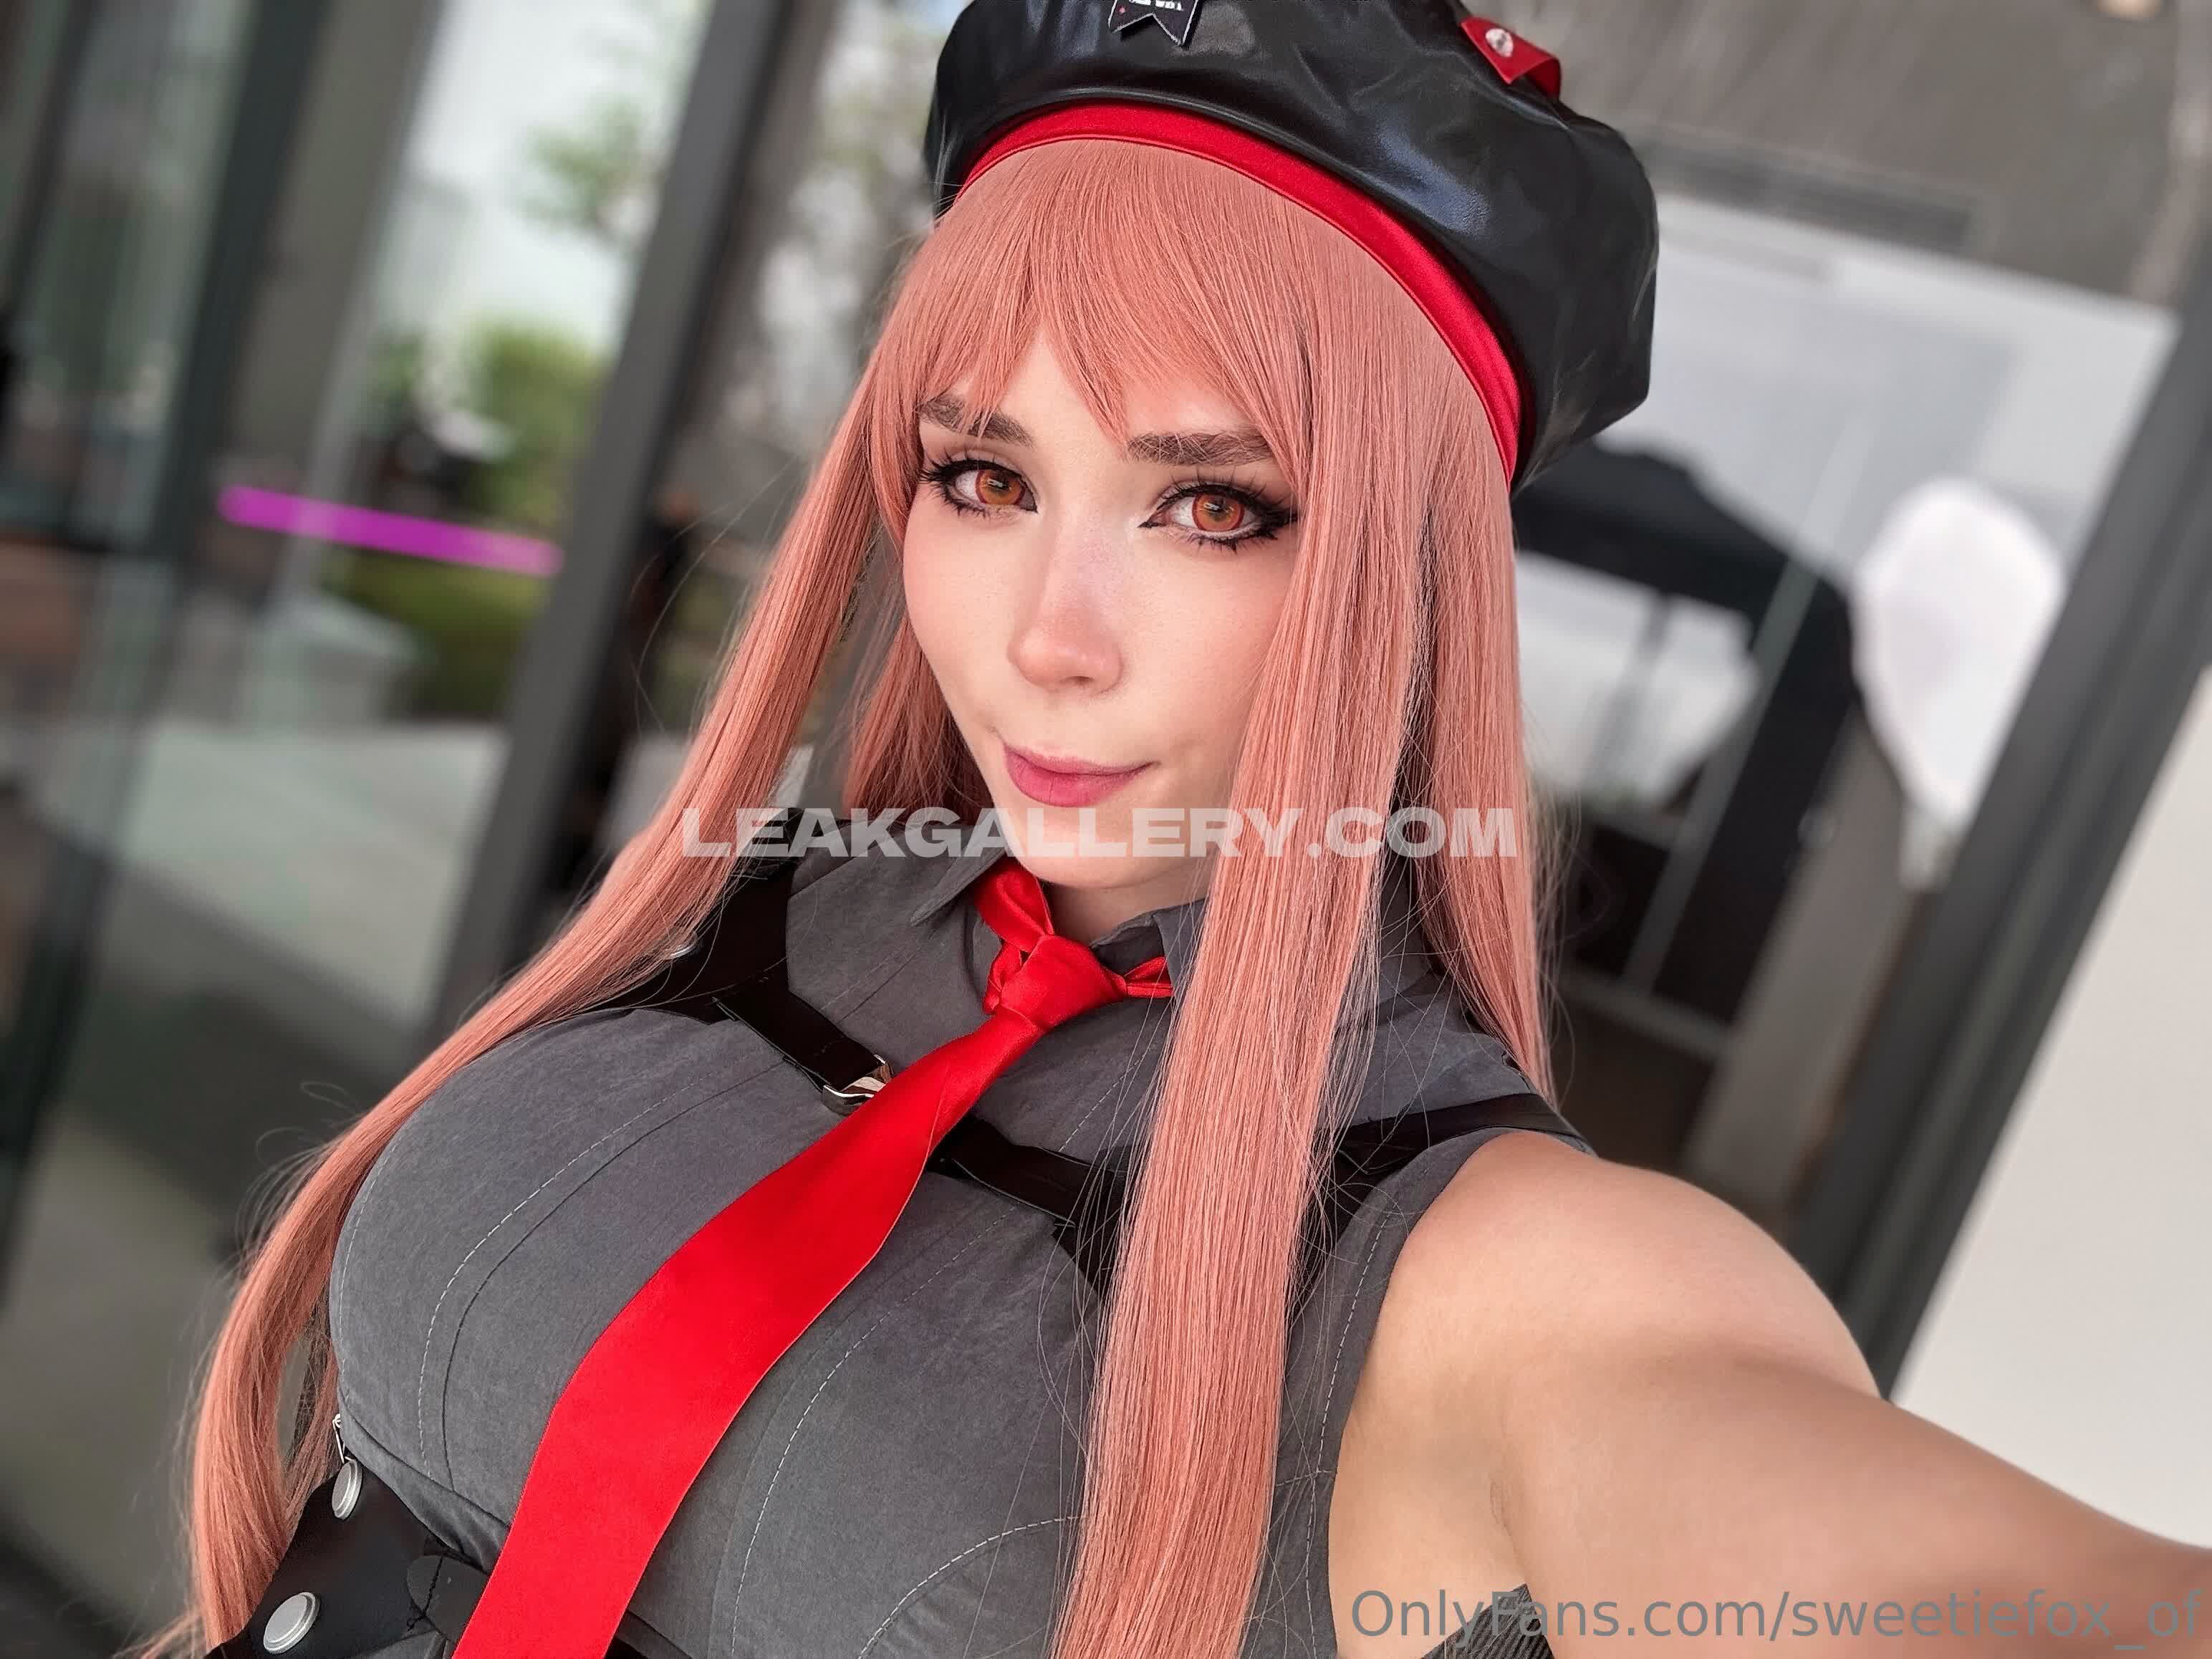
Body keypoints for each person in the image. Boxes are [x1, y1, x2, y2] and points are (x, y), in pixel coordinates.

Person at [167, 4, 2209, 1658]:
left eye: (1214, 506)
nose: (1047, 638)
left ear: (1408, 583)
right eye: (981, 476)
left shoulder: (1479, 1261)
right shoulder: (768, 904)